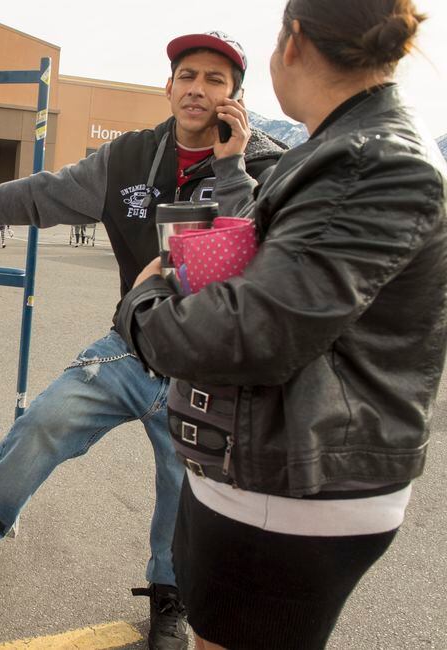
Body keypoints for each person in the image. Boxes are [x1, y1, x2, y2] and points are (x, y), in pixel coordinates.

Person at [0, 32, 284, 649]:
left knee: (183, 489)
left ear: (236, 97)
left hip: (210, 372)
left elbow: (242, 268)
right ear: (169, 85)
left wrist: (233, 170)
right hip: (132, 348)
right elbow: (38, 194)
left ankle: (171, 593)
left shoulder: (267, 168)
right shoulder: (128, 158)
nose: (198, 89)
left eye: (216, 79)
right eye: (188, 75)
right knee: (45, 420)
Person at [115, 2, 445, 649]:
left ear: (292, 43)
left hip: (291, 488)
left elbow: (248, 337)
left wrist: (144, 298)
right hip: (273, 478)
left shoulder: (365, 163)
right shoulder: (346, 149)